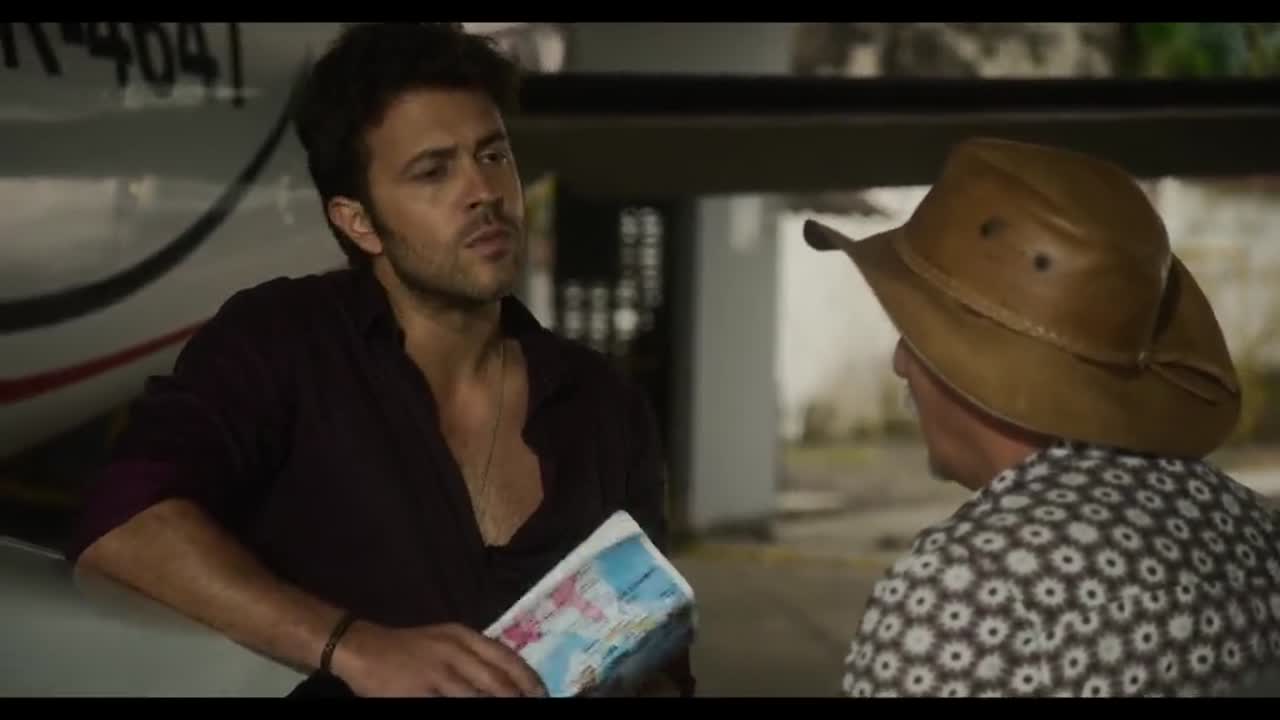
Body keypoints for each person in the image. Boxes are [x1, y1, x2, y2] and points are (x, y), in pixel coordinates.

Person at [66, 22, 694, 698]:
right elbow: (123, 526)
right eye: (433, 171)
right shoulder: (281, 344)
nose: (484, 191)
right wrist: (352, 645)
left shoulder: (604, 404)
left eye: (493, 154)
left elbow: (661, 656)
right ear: (357, 221)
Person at [804, 137, 1280, 697]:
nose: (901, 362)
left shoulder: (961, 592)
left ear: (969, 364)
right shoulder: (1254, 530)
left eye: (917, 331)